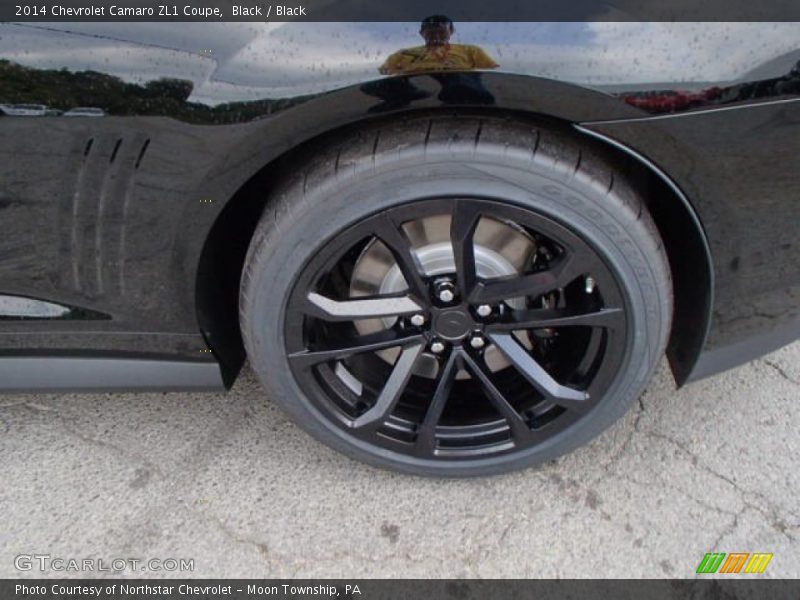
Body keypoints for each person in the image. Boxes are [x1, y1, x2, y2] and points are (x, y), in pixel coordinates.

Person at [379, 15, 499, 75]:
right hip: (415, 85)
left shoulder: (471, 50)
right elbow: (384, 73)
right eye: (431, 33)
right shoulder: (402, 53)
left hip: (459, 82)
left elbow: (492, 73)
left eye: (442, 32)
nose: (436, 36)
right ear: (421, 33)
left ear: (451, 31)